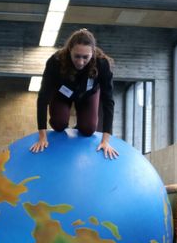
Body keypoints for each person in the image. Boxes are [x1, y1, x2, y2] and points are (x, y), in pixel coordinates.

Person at [30, 28, 119, 159]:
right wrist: (42, 137)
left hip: (88, 94)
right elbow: (43, 98)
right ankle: (63, 124)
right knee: (58, 124)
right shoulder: (55, 62)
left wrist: (106, 141)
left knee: (88, 129)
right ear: (69, 50)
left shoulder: (102, 64)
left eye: (85, 57)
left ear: (93, 52)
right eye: (77, 56)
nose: (80, 62)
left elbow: (108, 101)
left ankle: (80, 125)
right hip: (62, 94)